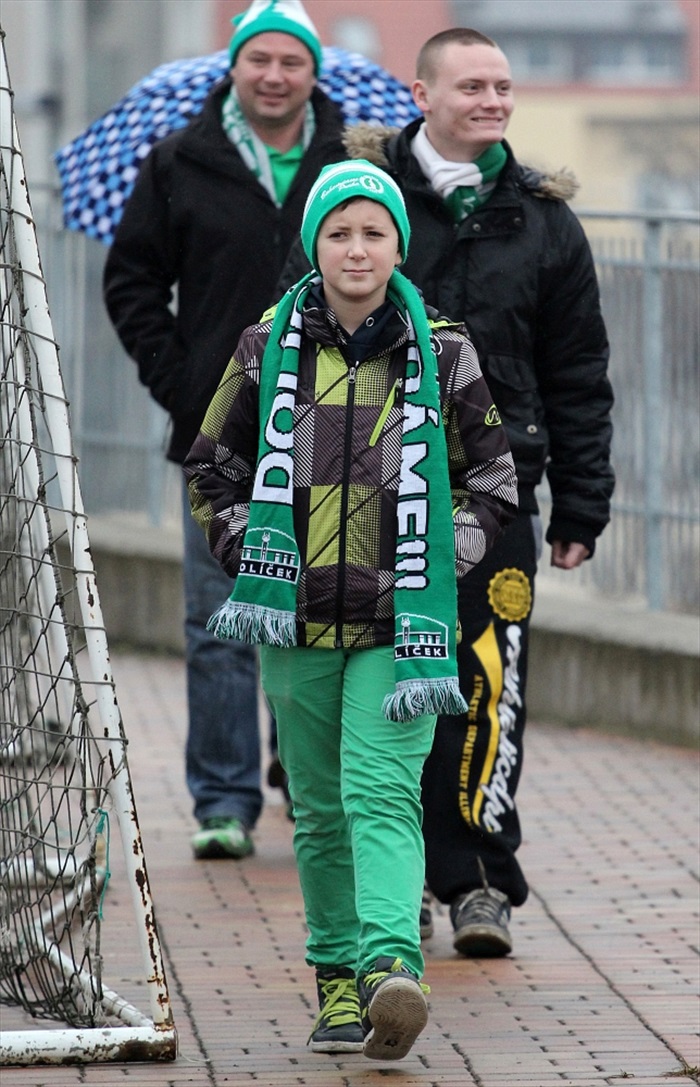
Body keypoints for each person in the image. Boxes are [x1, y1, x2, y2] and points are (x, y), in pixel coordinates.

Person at [183, 160, 518, 1059]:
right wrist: (251, 551)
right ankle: (335, 981)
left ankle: (387, 967)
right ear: (314, 244)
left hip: (400, 628)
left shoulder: (444, 349)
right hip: (294, 621)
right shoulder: (265, 347)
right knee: (322, 808)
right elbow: (212, 468)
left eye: (374, 232)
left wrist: (446, 565)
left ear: (399, 244)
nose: (357, 248)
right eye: (340, 232)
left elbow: (492, 478)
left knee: (381, 792)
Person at [338, 27, 615, 957]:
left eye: (503, 86)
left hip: (497, 499)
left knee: (487, 684)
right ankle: (398, 873)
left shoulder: (544, 220)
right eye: (473, 86)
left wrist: (581, 502)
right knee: (386, 683)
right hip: (370, 491)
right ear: (422, 95)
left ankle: (481, 879)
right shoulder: (361, 204)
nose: (493, 101)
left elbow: (578, 372)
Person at [102, 0, 345, 860]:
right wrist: (183, 387)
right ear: (232, 68)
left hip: (339, 434)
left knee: (324, 614)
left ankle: (299, 773)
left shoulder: (352, 162)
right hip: (217, 436)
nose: (275, 76)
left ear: (315, 72)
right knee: (218, 619)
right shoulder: (179, 162)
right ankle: (224, 799)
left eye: (292, 62)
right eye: (259, 60)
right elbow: (131, 282)